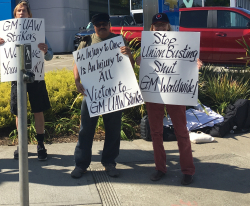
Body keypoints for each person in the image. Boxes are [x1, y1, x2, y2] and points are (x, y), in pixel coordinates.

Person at [136, 12, 202, 185]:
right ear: (152, 27)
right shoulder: (148, 43)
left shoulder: (180, 43)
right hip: (154, 92)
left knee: (182, 131)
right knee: (155, 132)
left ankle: (188, 170)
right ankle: (160, 168)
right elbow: (139, 62)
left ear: (168, 26)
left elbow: (189, 61)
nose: (160, 28)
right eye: (157, 25)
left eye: (163, 25)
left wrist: (196, 64)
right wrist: (136, 58)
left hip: (175, 92)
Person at [71, 13, 135, 179]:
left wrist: (130, 55)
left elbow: (130, 66)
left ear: (109, 24)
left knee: (113, 129)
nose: (101, 26)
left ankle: (109, 162)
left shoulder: (119, 40)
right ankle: (81, 164)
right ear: (93, 26)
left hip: (114, 91)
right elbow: (77, 63)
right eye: (97, 24)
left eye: (104, 23)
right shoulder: (87, 41)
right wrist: (77, 81)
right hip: (91, 92)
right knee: (86, 129)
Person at [0, 0, 53, 161]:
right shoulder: (6, 32)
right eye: (19, 11)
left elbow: (50, 56)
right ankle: (22, 145)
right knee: (19, 113)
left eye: (24, 10)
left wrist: (46, 50)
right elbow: (0, 57)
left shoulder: (38, 31)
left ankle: (40, 144)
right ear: (15, 14)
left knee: (38, 110)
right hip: (16, 78)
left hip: (36, 76)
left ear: (29, 14)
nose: (21, 13)